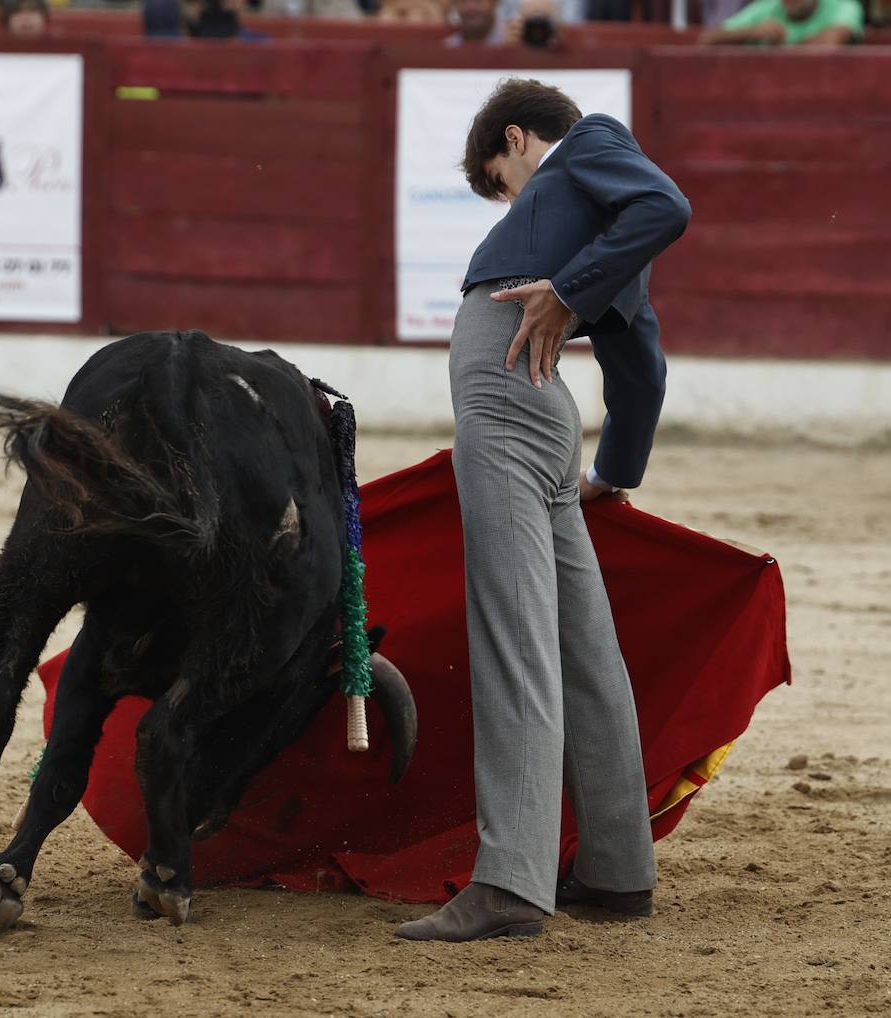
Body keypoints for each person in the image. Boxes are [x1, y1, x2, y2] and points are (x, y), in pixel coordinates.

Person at [394, 79, 690, 943]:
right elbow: (643, 362)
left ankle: (514, 881)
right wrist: (613, 468)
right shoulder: (608, 228)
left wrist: (563, 291)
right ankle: (616, 867)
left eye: (503, 182)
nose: (511, 202)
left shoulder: (590, 145)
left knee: (512, 631)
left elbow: (668, 205)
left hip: (505, 394)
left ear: (522, 140)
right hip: (550, 413)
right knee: (581, 642)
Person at [698, 0, 863, 45]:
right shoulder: (767, 7)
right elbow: (707, 39)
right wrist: (752, 32)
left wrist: (781, 48)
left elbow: (831, 42)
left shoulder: (843, 6)